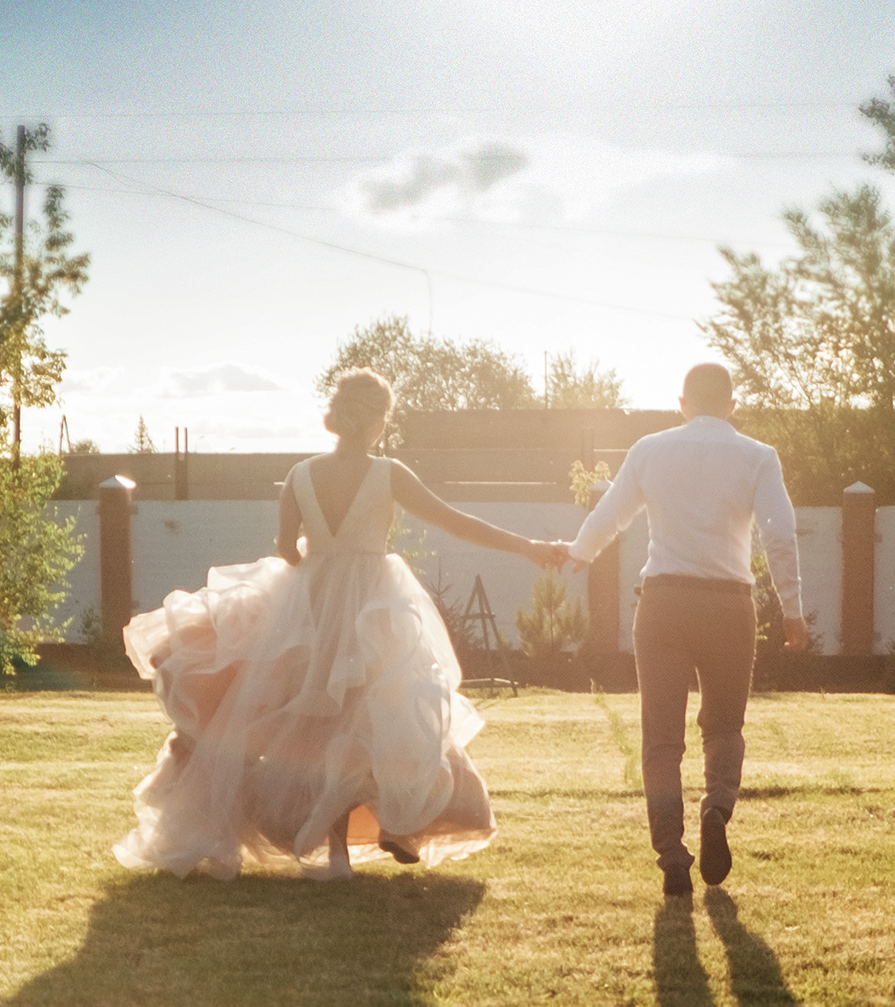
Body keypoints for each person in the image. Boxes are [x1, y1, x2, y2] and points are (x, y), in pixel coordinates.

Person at [114, 369, 568, 880]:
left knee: (314, 728)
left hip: (308, 605)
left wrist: (316, 558)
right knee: (376, 716)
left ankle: (334, 853)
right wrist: (527, 547)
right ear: (376, 419)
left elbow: (286, 549)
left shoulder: (300, 475)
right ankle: (393, 822)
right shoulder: (388, 472)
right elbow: (453, 521)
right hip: (374, 604)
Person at [565, 362, 808, 897]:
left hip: (663, 604)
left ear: (681, 403)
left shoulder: (649, 449)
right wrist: (792, 610)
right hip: (727, 605)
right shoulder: (758, 457)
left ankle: (672, 858)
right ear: (732, 405)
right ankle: (717, 808)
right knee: (724, 726)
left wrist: (580, 552)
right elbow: (779, 533)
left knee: (661, 740)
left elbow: (611, 513)